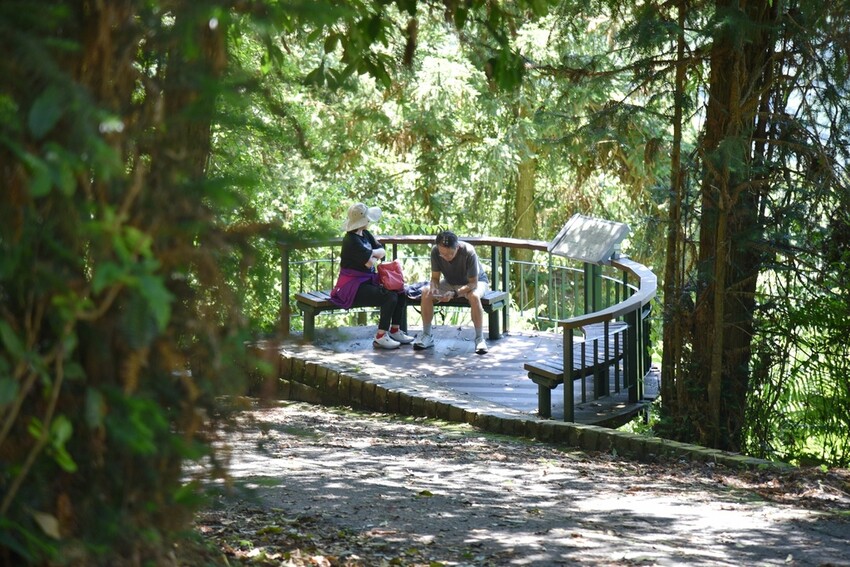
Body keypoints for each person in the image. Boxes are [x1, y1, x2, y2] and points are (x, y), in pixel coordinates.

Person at [330, 203, 415, 349]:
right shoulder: (351, 240)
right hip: (353, 286)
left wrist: (373, 255)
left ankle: (395, 330)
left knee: (400, 292)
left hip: (367, 281)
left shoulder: (365, 234)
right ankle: (381, 335)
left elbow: (381, 252)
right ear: (363, 221)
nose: (369, 221)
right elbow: (369, 263)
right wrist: (374, 256)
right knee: (390, 296)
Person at [413, 230, 490, 354]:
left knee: (474, 296)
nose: (446, 257)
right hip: (450, 282)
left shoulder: (468, 252)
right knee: (426, 292)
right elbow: (435, 278)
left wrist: (454, 293)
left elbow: (473, 284)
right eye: (442, 254)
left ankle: (479, 338)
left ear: (457, 247)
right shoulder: (435, 252)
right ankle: (427, 335)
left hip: (476, 282)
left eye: (450, 254)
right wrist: (434, 287)